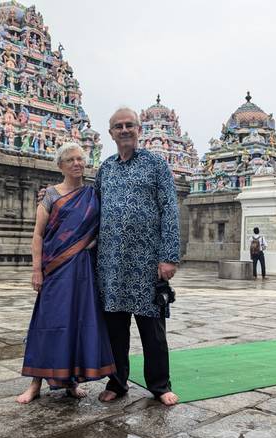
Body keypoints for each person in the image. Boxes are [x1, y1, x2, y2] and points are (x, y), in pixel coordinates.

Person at [16, 142, 115, 404]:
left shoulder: (93, 195)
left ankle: (71, 382)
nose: (77, 163)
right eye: (70, 159)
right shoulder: (50, 195)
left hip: (83, 269)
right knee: (48, 322)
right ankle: (35, 383)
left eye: (81, 159)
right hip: (55, 268)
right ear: (60, 165)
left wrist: (91, 242)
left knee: (78, 322)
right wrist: (36, 269)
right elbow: (38, 234)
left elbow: (103, 226)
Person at [95, 108, 180, 406]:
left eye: (129, 125)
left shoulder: (156, 165)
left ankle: (159, 385)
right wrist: (51, 198)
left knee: (152, 331)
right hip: (112, 265)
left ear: (139, 129)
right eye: (118, 126)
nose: (124, 130)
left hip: (146, 265)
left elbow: (169, 209)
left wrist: (168, 257)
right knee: (115, 331)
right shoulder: (105, 169)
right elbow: (90, 210)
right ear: (111, 133)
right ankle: (117, 383)